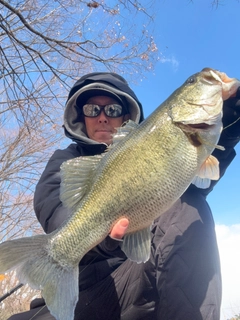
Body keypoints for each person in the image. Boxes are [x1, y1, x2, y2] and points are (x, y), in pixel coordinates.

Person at [8, 72, 240, 320]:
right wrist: (100, 240)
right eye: (92, 109)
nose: (103, 117)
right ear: (81, 116)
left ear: (127, 115)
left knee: (190, 207)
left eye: (113, 109)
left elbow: (193, 186)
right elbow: (59, 216)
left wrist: (229, 127)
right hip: (87, 289)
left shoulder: (156, 141)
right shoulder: (64, 162)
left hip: (140, 277)